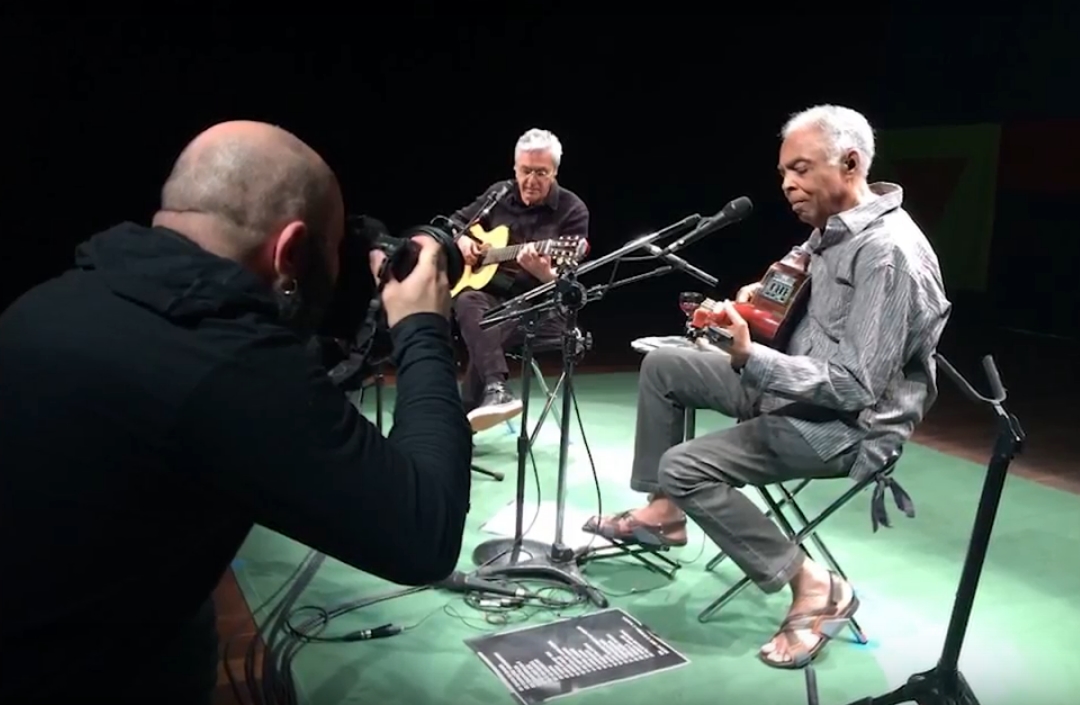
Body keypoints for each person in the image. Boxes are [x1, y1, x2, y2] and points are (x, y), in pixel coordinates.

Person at [0, 121, 473, 703]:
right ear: (290, 251)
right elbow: (423, 533)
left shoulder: (47, 302)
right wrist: (423, 327)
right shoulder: (222, 358)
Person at [583, 105, 951, 669]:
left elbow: (855, 387)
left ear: (849, 163)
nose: (787, 185)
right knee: (666, 366)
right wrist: (756, 300)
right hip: (795, 388)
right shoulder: (834, 224)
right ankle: (665, 512)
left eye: (800, 170)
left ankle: (813, 584)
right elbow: (795, 268)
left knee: (686, 465)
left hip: (845, 428)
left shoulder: (888, 254)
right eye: (783, 173)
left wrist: (750, 356)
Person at [451, 127, 590, 432]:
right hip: (494, 300)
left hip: (540, 308)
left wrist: (544, 275)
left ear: (554, 171)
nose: (531, 180)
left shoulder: (572, 210)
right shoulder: (499, 194)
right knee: (467, 300)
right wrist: (462, 242)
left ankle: (465, 418)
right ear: (515, 167)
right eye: (525, 171)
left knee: (487, 326)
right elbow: (456, 223)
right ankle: (494, 391)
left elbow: (570, 290)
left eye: (541, 172)